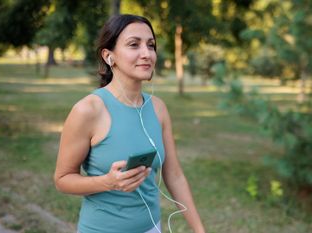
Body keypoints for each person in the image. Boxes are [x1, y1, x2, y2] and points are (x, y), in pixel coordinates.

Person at [54, 14, 205, 233]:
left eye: (151, 45)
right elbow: (62, 179)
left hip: (152, 228)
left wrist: (200, 230)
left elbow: (174, 175)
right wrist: (107, 182)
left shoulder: (158, 108)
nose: (147, 54)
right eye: (134, 45)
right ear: (109, 56)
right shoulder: (88, 110)